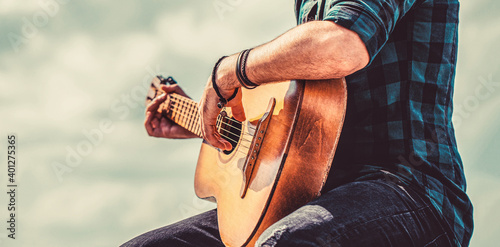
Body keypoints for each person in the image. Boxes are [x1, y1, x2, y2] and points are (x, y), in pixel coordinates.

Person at [123, 0, 473, 246]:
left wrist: (229, 71)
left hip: (413, 191)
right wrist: (208, 124)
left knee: (289, 241)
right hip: (312, 195)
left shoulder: (329, 26)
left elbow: (343, 46)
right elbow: (308, 123)